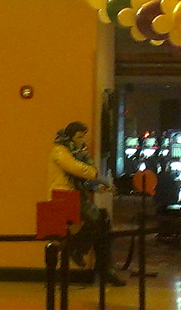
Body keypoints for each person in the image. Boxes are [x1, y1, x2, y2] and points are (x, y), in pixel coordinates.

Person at [48, 121, 125, 286]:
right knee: (98, 219)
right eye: (79, 137)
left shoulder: (76, 152)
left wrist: (100, 186)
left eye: (83, 137)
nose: (82, 141)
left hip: (75, 195)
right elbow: (76, 168)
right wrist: (97, 175)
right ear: (69, 137)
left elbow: (83, 179)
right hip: (63, 196)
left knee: (103, 222)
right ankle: (77, 249)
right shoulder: (60, 151)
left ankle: (104, 266)